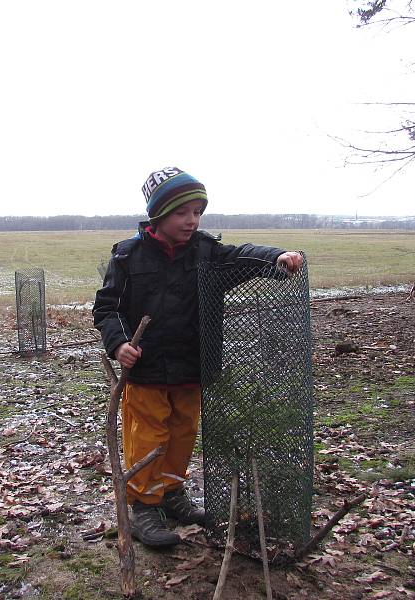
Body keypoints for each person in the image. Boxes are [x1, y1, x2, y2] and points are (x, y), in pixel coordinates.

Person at [93, 167, 303, 547]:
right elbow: (107, 308)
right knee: (148, 436)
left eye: (198, 212)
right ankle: (142, 504)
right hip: (147, 370)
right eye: (182, 212)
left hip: (193, 367)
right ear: (159, 215)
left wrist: (278, 258)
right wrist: (119, 344)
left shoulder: (207, 251)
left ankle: (171, 495)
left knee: (181, 433)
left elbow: (243, 257)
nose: (192, 220)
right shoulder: (128, 256)